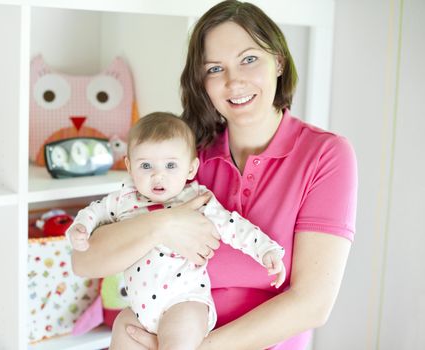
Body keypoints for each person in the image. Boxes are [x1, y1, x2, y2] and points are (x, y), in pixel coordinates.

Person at [71, 1, 357, 349]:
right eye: (215, 69)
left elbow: (312, 305)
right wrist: (162, 224)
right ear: (201, 82)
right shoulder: (186, 158)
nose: (234, 81)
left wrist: (190, 347)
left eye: (249, 59)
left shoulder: (324, 155)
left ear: (278, 61)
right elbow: (84, 260)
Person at [66, 112, 286, 350]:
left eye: (171, 165)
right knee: (122, 328)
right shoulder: (123, 199)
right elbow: (94, 212)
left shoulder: (197, 199)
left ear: (191, 169)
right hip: (139, 311)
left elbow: (233, 226)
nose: (158, 175)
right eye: (146, 165)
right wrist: (80, 228)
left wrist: (265, 250)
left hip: (185, 303)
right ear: (129, 166)